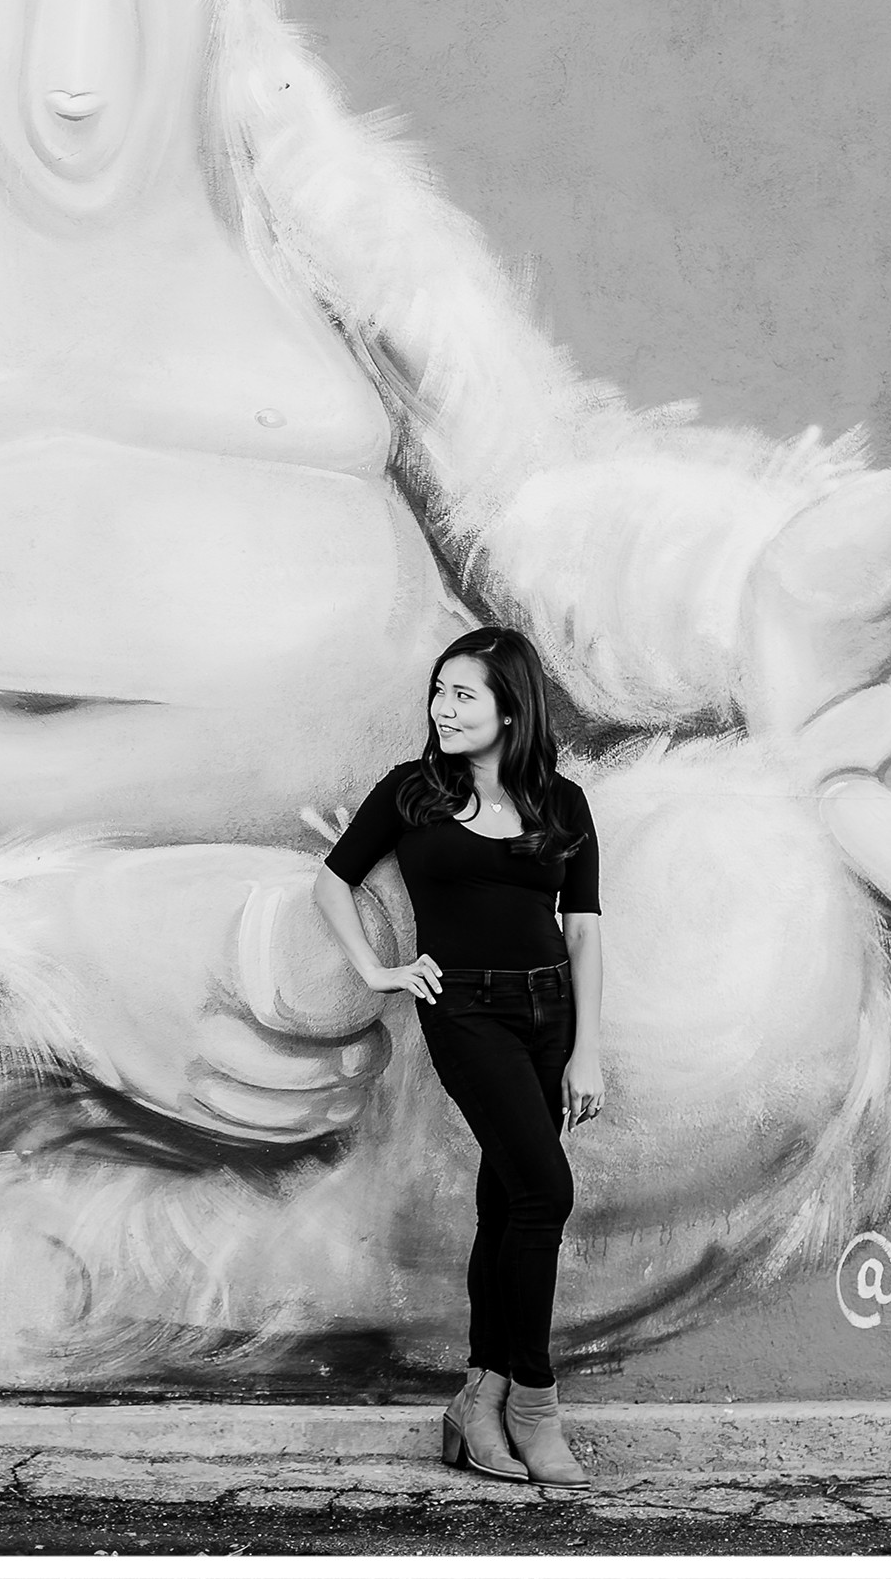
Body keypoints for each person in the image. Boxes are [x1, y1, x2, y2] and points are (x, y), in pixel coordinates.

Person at [313, 626, 604, 1489]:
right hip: (464, 1011)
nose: (443, 708)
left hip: (550, 1009)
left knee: (510, 1199)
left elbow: (583, 929)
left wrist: (588, 1049)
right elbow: (334, 880)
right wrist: (378, 970)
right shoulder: (410, 794)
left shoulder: (565, 803)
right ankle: (534, 1405)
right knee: (546, 1192)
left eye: (464, 694)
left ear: (511, 708)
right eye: (438, 692)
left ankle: (478, 1399)